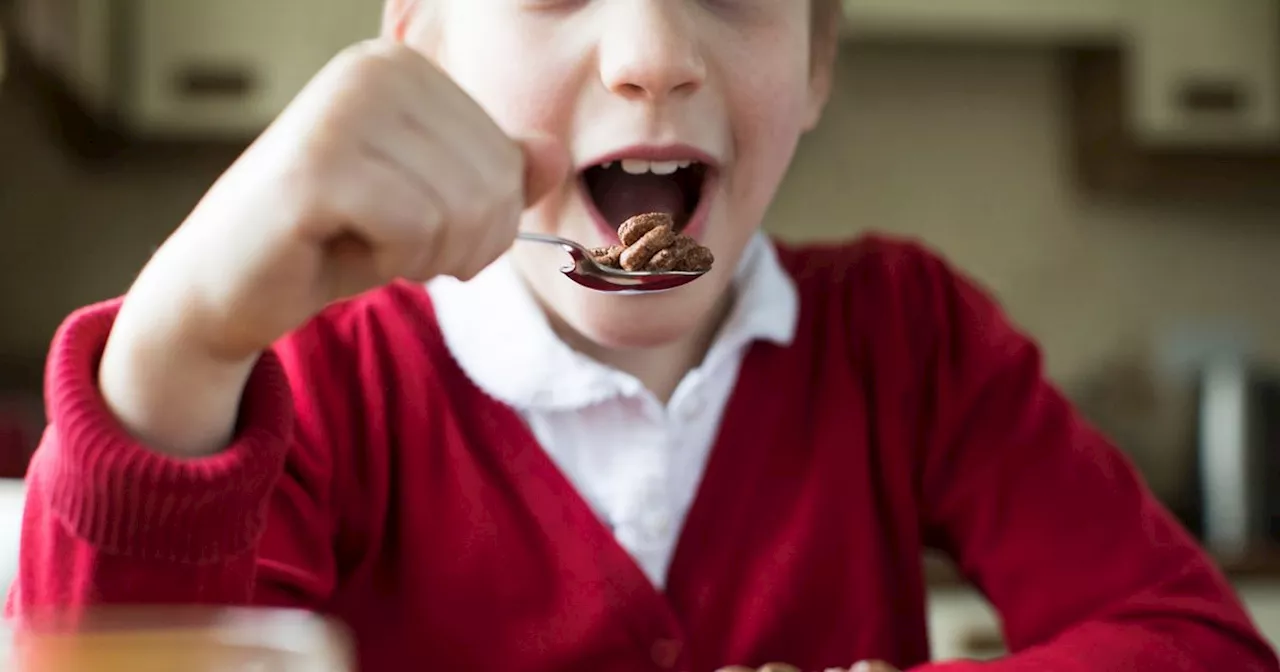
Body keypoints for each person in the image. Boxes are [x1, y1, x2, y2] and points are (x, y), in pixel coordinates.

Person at [6, 1, 1277, 671]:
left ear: (819, 56)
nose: (654, 54)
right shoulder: (318, 384)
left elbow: (1200, 648)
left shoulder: (909, 343)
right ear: (420, 44)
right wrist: (182, 340)